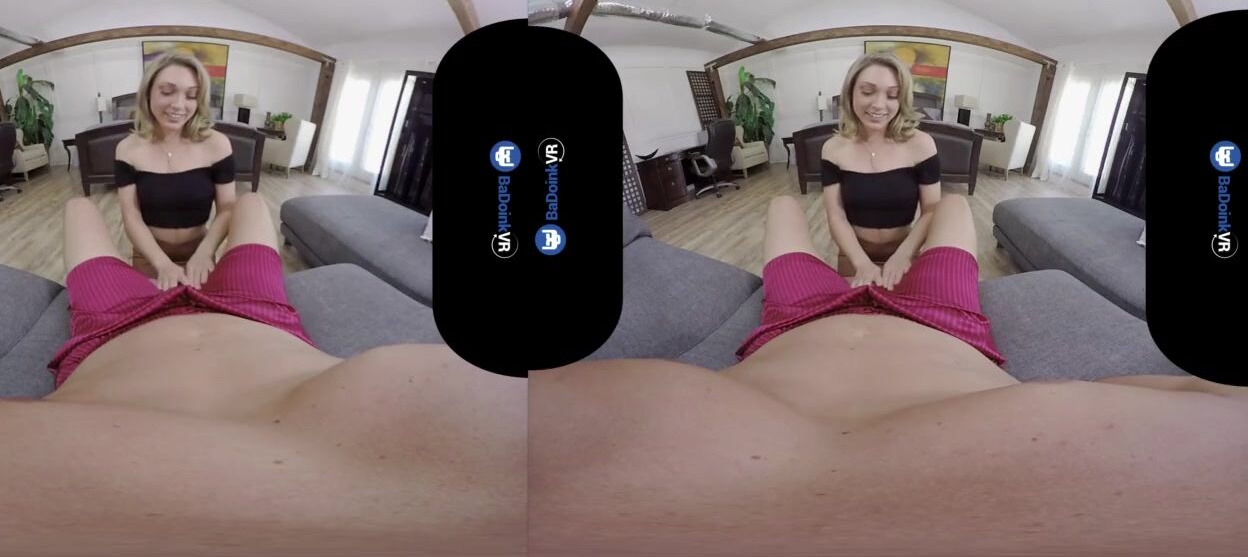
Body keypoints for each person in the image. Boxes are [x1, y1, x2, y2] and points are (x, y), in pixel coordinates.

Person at [0, 193, 527, 557]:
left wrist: (185, 259)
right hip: (259, 316)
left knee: (77, 205)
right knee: (252, 204)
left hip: (114, 328)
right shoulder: (506, 462)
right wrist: (177, 259)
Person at [528, 194, 1247, 556]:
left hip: (795, 321)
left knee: (780, 204)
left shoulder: (550, 469)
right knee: (953, 206)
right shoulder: (1199, 477)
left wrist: (886, 259)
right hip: (943, 322)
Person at [116, 51, 237, 290]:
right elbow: (131, 216)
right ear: (148, 92)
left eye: (191, 95)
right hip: (150, 256)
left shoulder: (217, 144)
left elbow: (227, 209)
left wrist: (205, 253)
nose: (179, 105)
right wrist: (161, 264)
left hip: (200, 254)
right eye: (167, 91)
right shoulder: (127, 149)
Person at [821, 52, 942, 289]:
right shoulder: (832, 149)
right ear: (851, 92)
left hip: (905, 253)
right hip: (853, 255)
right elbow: (836, 215)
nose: (878, 104)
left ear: (902, 99)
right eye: (867, 92)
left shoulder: (922, 144)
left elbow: (931, 210)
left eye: (892, 95)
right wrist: (861, 263)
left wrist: (904, 255)